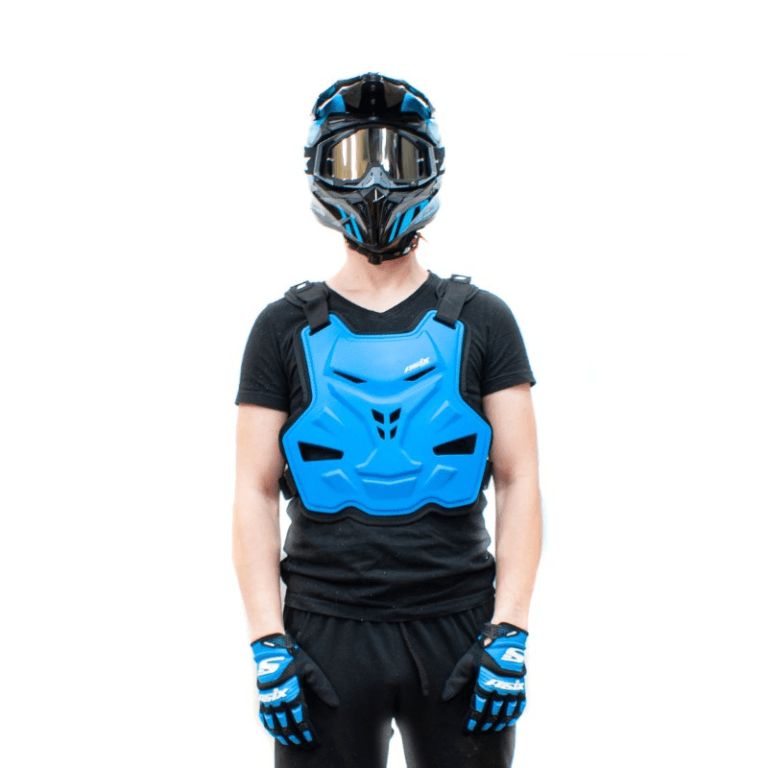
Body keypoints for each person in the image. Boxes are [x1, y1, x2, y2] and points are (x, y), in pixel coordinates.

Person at [232, 73, 542, 768]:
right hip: (324, 632)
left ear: (428, 169)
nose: (375, 180)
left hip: (461, 627)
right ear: (321, 171)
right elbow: (252, 488)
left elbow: (520, 477)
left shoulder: (485, 320)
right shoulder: (281, 328)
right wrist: (267, 642)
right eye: (353, 158)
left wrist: (511, 629)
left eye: (397, 157)